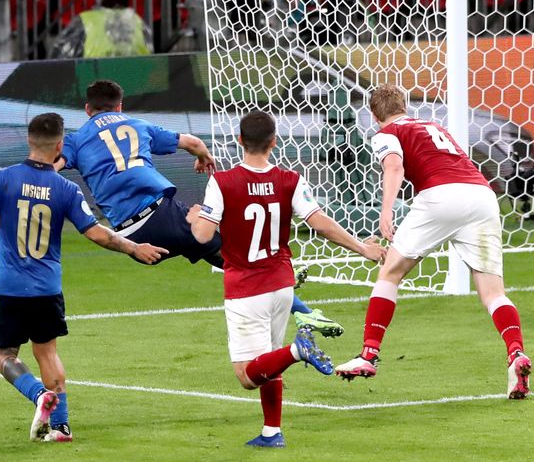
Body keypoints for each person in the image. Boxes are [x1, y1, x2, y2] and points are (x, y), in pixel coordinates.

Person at [0, 113, 167, 443]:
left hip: (11, 288)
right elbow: (96, 234)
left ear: (29, 141)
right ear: (60, 145)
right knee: (46, 352)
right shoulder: (66, 189)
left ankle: (37, 395)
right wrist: (133, 248)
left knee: (2, 353)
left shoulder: (3, 179)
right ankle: (60, 426)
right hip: (47, 288)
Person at [59, 79, 343, 337]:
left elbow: (52, 167)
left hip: (129, 233)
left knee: (227, 258)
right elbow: (193, 142)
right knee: (239, 250)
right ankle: (290, 297)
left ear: (87, 109)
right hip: (161, 215)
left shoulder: (75, 140)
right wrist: (203, 157)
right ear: (121, 106)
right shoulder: (137, 125)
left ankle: (291, 301)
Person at [188, 110, 385, 447]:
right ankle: (272, 432)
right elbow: (319, 221)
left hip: (246, 290)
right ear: (274, 142)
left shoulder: (221, 182)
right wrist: (361, 248)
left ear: (239, 141)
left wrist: (196, 217)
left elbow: (203, 236)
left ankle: (298, 349)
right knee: (268, 359)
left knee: (247, 375)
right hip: (281, 285)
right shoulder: (290, 179)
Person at [334, 85, 533, 400]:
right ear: (405, 106)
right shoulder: (433, 126)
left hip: (440, 196)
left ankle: (368, 355)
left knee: (389, 273)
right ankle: (516, 353)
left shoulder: (386, 133)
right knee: (493, 293)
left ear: (374, 116)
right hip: (482, 196)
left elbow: (394, 166)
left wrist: (386, 210)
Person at [50, 0, 154, 60]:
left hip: (93, 79)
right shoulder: (138, 21)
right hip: (134, 80)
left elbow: (61, 58)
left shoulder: (85, 21)